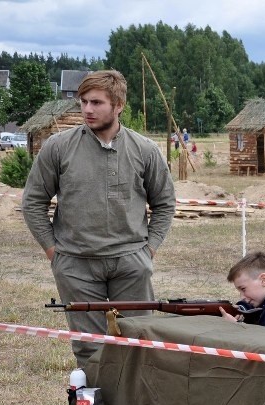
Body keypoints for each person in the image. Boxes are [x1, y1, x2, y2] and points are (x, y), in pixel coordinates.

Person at [22, 69, 176, 367]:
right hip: (76, 264)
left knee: (138, 344)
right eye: (83, 102)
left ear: (118, 105)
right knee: (89, 350)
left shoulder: (144, 150)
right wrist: (55, 253)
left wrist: (148, 250)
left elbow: (165, 203)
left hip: (131, 263)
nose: (87, 110)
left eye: (96, 103)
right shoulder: (58, 147)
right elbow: (33, 202)